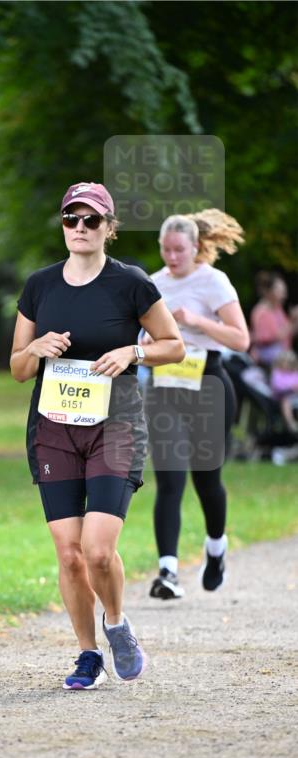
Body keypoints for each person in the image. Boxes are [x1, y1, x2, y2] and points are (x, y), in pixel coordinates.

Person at [10, 182, 184, 691]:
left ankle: (116, 623)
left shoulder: (129, 283)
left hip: (116, 423)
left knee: (98, 550)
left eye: (91, 220)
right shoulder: (40, 286)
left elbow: (173, 345)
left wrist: (134, 353)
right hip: (54, 428)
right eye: (71, 218)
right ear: (62, 224)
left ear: (109, 228)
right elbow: (18, 368)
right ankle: (88, 654)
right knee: (69, 553)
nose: (80, 228)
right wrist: (37, 347)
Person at [145, 210, 249, 600]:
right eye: (166, 250)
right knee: (170, 479)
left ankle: (216, 548)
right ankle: (168, 572)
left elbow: (241, 340)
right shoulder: (152, 285)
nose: (172, 257)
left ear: (195, 247)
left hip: (207, 383)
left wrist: (196, 322)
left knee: (207, 479)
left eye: (179, 250)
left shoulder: (213, 281)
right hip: (165, 386)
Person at [250, 271, 297, 369]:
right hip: (268, 360)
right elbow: (273, 337)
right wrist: (292, 320)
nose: (284, 295)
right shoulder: (262, 312)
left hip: (283, 357)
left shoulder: (278, 309)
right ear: (269, 291)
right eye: (280, 291)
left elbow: (289, 333)